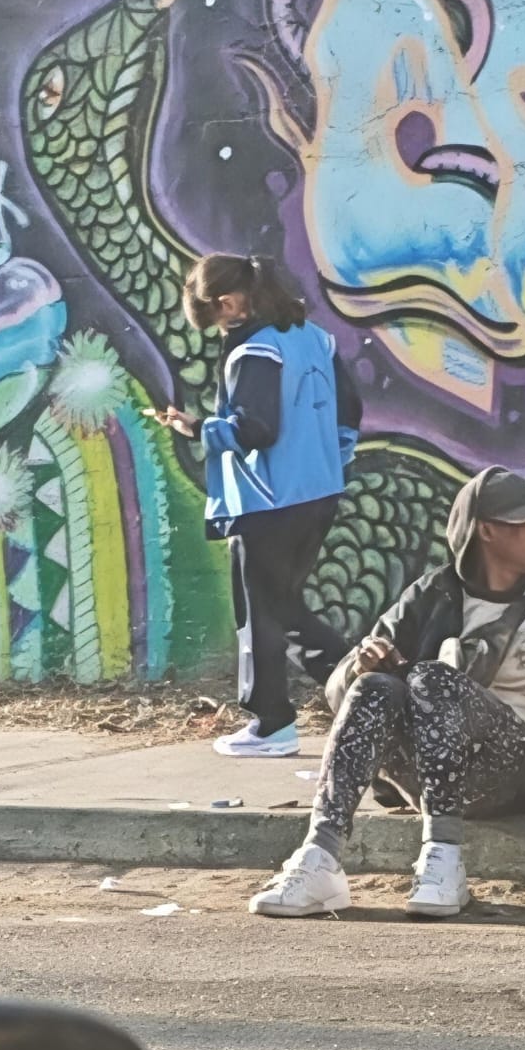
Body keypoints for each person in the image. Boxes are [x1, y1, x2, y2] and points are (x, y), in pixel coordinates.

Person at [247, 466, 525, 918]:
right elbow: (340, 692)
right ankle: (320, 857)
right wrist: (359, 665)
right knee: (373, 686)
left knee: (431, 678)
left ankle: (443, 858)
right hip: (433, 774)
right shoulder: (432, 596)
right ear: (486, 531)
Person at [153, 253, 361, 758]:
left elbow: (256, 428)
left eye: (214, 318)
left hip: (268, 501)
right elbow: (350, 409)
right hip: (317, 494)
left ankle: (272, 724)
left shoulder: (256, 350)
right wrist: (329, 462)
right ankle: (365, 689)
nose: (218, 328)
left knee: (261, 612)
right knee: (284, 607)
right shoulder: (314, 338)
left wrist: (198, 428)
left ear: (228, 303)